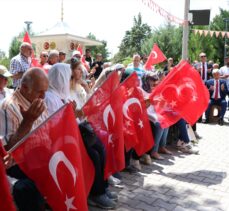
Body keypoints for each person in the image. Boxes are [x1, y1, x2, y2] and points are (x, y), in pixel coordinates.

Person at [69, 58, 118, 209]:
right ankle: (96, 194)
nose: (81, 71)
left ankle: (102, 188)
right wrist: (77, 113)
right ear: (70, 72)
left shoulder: (79, 88)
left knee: (101, 150)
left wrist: (87, 88)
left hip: (84, 127)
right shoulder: (66, 90)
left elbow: (91, 106)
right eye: (78, 69)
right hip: (75, 132)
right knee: (95, 156)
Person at [0, 67, 49, 211]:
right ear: (24, 87)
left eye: (45, 91)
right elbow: (6, 155)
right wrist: (27, 123)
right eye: (40, 91)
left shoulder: (37, 100)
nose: (44, 96)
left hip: (40, 157)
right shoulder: (7, 107)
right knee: (28, 190)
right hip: (20, 165)